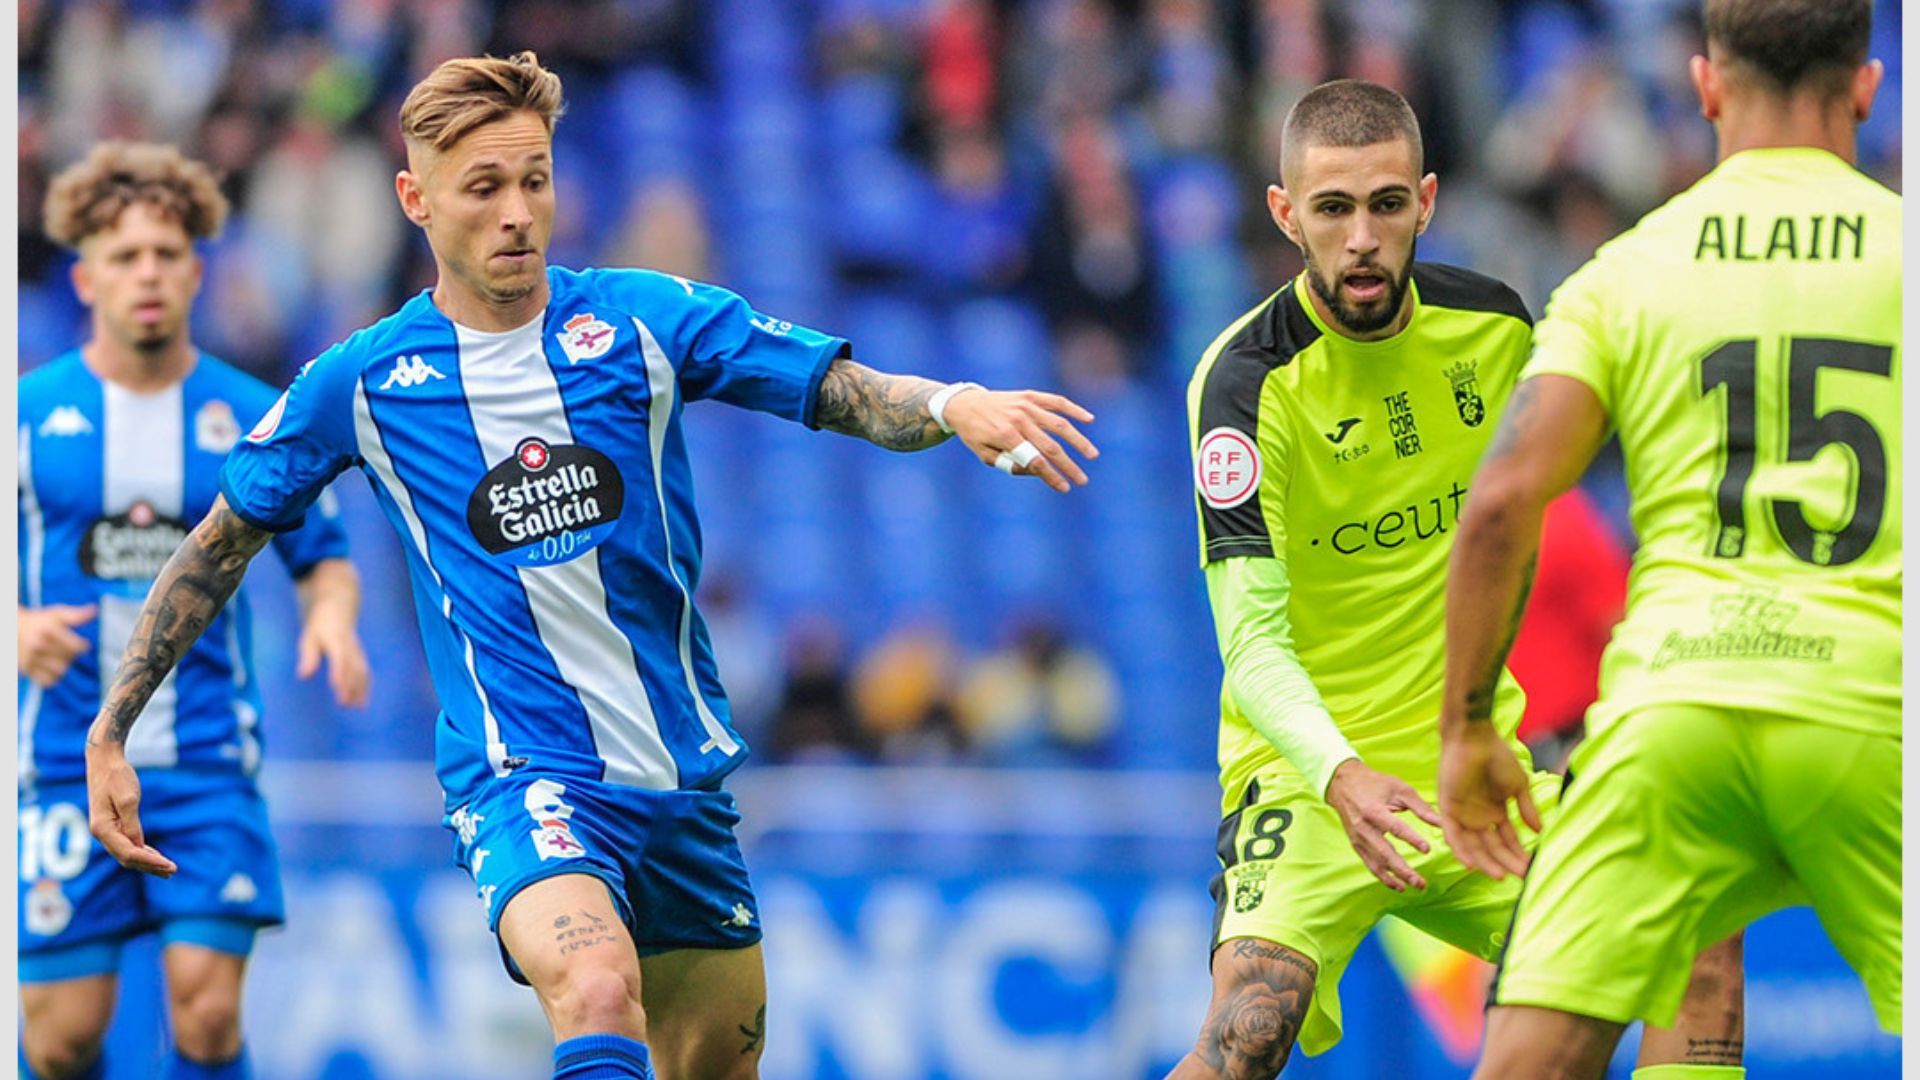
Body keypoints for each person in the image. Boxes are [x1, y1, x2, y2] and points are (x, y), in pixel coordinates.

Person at [82, 53, 1097, 1080]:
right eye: (484, 188)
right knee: (595, 985)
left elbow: (839, 390)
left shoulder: (642, 320)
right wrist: (112, 726)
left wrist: (949, 403)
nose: (518, 212)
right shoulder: (363, 381)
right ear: (416, 199)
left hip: (679, 778)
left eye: (536, 179)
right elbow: (218, 545)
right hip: (525, 776)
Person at [1174, 79, 1742, 1080]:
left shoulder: (1496, 331)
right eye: (1333, 209)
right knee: (1245, 1035)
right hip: (1310, 785)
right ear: (1284, 214)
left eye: (1387, 205)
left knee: (1697, 919)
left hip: (1472, 778)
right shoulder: (1242, 384)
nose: (1362, 238)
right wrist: (1341, 776)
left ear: (1426, 202)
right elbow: (1252, 646)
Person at [1438, 1, 1899, 1075]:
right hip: (1875, 708)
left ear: (1704, 86)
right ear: (1868, 89)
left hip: (1672, 709)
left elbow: (1503, 498)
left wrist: (1466, 726)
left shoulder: (1626, 271)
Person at [19, 142, 370, 1080]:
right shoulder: (25, 415)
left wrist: (330, 618)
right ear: (86, 276)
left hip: (210, 758)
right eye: (125, 255)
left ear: (196, 270)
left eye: (165, 254)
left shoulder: (255, 413)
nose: (147, 273)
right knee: (61, 1041)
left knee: (208, 1017)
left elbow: (324, 559)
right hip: (58, 762)